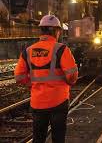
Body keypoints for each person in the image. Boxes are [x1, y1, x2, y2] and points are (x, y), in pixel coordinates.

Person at [14, 15, 78, 143]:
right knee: (58, 137)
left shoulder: (28, 51)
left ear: (41, 31)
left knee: (38, 137)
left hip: (38, 102)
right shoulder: (61, 49)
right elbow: (71, 75)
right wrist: (68, 83)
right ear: (57, 31)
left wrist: (32, 84)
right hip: (59, 101)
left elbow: (19, 76)